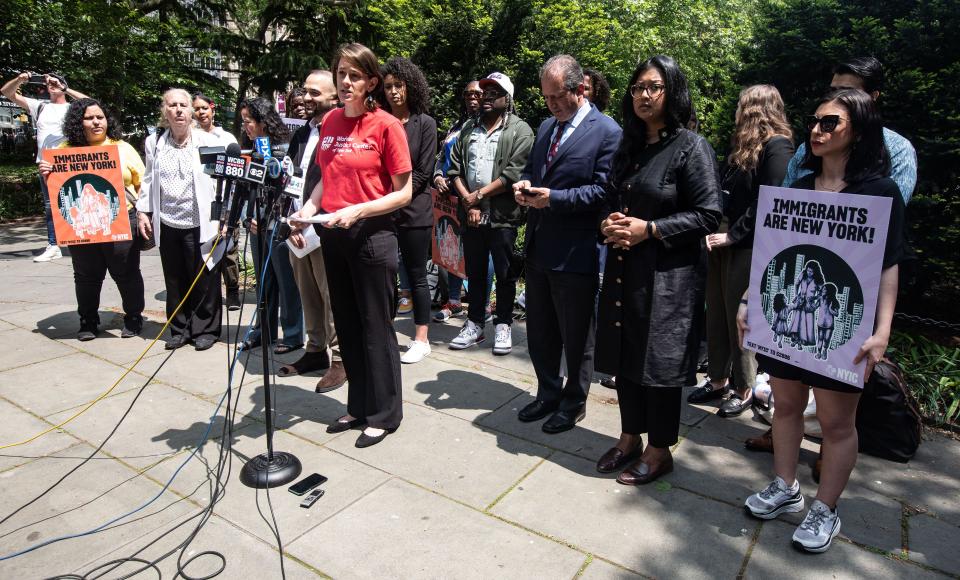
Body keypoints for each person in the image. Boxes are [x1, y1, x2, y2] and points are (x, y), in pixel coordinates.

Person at [740, 88, 907, 554]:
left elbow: (889, 265)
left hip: (841, 333)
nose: (816, 129)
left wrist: (882, 332)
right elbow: (770, 254)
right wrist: (749, 301)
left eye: (830, 122)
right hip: (787, 323)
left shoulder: (880, 193)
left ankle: (826, 509)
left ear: (859, 130)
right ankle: (785, 487)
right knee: (786, 408)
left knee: (836, 424)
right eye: (815, 120)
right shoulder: (795, 190)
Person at [746, 57, 918, 454]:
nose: (833, 103)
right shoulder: (810, 149)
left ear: (869, 102)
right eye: (832, 91)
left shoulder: (897, 153)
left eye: (848, 92)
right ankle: (781, 444)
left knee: (836, 403)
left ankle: (828, 463)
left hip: (853, 280)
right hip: (804, 276)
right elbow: (784, 210)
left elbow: (886, 233)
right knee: (787, 389)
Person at [594, 55, 721, 483]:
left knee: (661, 366)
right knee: (626, 355)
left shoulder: (691, 147)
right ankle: (629, 437)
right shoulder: (631, 147)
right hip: (626, 270)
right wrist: (607, 223)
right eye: (637, 88)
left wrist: (650, 229)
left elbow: (708, 215)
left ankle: (659, 449)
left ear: (673, 93)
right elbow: (611, 201)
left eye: (654, 87)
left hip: (670, 278)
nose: (644, 96)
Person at [288, 42, 413, 448]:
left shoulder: (386, 126)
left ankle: (385, 414)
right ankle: (358, 406)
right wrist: (307, 209)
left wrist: (359, 211)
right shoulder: (331, 123)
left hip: (372, 238)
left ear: (371, 82)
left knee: (376, 328)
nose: (345, 82)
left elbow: (405, 192)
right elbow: (327, 178)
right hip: (333, 235)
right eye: (341, 73)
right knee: (347, 325)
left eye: (354, 76)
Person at [511, 55, 622, 433]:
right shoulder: (545, 127)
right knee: (540, 330)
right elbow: (532, 170)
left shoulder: (607, 131)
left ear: (579, 89)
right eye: (547, 98)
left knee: (576, 336)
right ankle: (547, 392)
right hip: (540, 247)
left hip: (577, 253)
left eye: (558, 96)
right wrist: (523, 186)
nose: (553, 104)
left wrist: (553, 199)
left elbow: (604, 192)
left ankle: (574, 401)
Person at [688, 85, 795, 417]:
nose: (736, 111)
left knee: (740, 318)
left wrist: (732, 235)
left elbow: (770, 201)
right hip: (722, 236)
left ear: (755, 109)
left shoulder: (778, 147)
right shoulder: (743, 146)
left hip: (748, 244)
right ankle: (717, 378)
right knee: (717, 312)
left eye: (741, 105)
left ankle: (744, 386)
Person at [37, 98, 145, 340]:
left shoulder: (123, 148)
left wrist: (144, 214)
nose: (96, 122)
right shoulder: (63, 151)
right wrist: (47, 176)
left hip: (120, 220)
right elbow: (59, 190)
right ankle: (88, 320)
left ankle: (134, 316)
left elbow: (143, 185)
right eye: (89, 118)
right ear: (78, 122)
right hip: (81, 225)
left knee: (126, 272)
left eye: (100, 117)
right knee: (86, 276)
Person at [446, 72, 533, 354]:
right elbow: (455, 169)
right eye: (485, 92)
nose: (486, 97)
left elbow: (512, 174)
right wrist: (469, 204)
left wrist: (479, 197)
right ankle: (474, 324)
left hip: (502, 215)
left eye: (494, 92)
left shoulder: (521, 130)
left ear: (507, 99)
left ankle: (503, 324)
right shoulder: (469, 129)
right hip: (471, 214)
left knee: (505, 273)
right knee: (475, 270)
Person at [136, 89, 224, 351]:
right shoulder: (155, 143)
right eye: (172, 105)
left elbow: (220, 183)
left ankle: (206, 329)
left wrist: (224, 218)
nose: (178, 110)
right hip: (169, 221)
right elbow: (149, 178)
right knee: (174, 279)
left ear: (191, 111)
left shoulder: (207, 141)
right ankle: (179, 328)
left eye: (183, 105)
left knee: (204, 278)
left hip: (200, 221)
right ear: (165, 111)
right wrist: (143, 211)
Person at [277, 70, 347, 391]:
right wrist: (289, 216)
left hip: (325, 227)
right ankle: (316, 350)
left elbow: (336, 179)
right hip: (297, 226)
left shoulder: (341, 132)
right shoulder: (303, 133)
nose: (306, 98)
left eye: (314, 93)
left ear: (334, 97)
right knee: (309, 295)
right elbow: (294, 176)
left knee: (333, 296)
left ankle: (341, 360)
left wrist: (313, 218)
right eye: (304, 91)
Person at [783, 57, 917, 203]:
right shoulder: (806, 149)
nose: (836, 97)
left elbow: (885, 214)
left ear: (872, 97)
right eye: (833, 90)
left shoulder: (898, 149)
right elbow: (783, 205)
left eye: (847, 92)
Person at [380, 57, 438, 364]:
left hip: (414, 211)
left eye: (398, 85)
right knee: (385, 273)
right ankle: (384, 331)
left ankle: (421, 339)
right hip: (382, 211)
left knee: (416, 275)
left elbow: (423, 172)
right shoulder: (377, 121)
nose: (393, 92)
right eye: (388, 86)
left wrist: (393, 199)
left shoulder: (425, 124)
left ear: (410, 86)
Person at [236, 97, 302, 355]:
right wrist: (247, 216)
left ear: (264, 122)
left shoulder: (286, 150)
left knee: (286, 282)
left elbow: (291, 190)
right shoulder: (252, 151)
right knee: (264, 283)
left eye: (248, 122)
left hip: (279, 224)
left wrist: (277, 220)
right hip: (255, 225)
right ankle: (263, 331)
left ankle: (294, 333)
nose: (246, 128)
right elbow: (246, 188)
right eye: (243, 123)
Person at [2, 71, 89, 262]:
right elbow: (7, 93)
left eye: (54, 81)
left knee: (77, 202)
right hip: (46, 163)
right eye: (47, 82)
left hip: (69, 162)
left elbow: (92, 104)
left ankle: (85, 242)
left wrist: (64, 88)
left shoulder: (73, 107)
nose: (50, 84)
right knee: (51, 206)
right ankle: (54, 245)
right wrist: (19, 80)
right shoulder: (40, 106)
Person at [432, 80, 482, 322]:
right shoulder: (456, 126)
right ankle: (453, 300)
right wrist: (438, 175)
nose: (472, 98)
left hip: (477, 197)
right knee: (452, 246)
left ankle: (481, 302)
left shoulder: (490, 125)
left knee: (481, 251)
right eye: (468, 94)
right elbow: (442, 158)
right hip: (450, 196)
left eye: (477, 94)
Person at [192, 93, 242, 311]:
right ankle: (207, 293)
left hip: (225, 201)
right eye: (196, 109)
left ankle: (232, 291)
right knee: (204, 249)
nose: (201, 112)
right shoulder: (189, 139)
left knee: (228, 248)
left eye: (204, 108)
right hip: (200, 205)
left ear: (212, 109)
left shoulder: (226, 138)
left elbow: (236, 172)